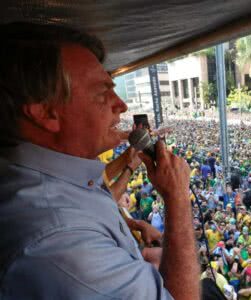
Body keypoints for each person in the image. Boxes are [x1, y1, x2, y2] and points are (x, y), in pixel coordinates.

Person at [0, 23, 199, 299]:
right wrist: (177, 197)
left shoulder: (50, 182)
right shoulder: (60, 243)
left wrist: (134, 263)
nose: (121, 104)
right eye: (102, 91)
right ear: (46, 113)